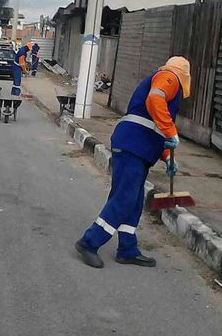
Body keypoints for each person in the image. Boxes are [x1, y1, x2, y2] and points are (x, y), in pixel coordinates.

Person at [74, 56, 192, 269]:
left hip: (138, 146)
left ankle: (127, 249)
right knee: (124, 198)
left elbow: (152, 125)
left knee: (134, 200)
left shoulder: (164, 80)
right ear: (184, 74)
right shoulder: (169, 77)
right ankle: (89, 242)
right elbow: (154, 101)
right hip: (133, 146)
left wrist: (166, 157)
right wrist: (171, 130)